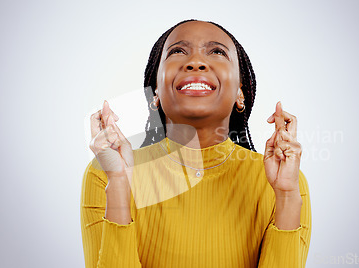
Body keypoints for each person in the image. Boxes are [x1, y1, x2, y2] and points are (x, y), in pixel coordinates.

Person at [81, 19, 311, 267]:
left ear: (239, 93)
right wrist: (118, 185)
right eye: (178, 51)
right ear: (155, 92)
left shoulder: (284, 182)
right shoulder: (104, 173)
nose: (196, 62)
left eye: (217, 52)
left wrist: (286, 196)